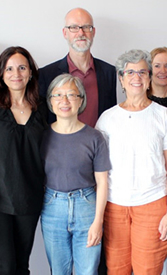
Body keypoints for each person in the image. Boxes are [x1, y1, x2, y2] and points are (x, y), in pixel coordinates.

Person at [95, 49, 167, 275]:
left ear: (149, 78)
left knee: (148, 270)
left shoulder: (163, 116)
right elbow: (99, 171)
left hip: (153, 205)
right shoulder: (107, 118)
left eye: (142, 71)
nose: (137, 77)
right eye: (130, 72)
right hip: (114, 207)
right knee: (116, 269)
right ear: (121, 79)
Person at [0, 46, 47, 275]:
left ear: (30, 72)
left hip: (30, 198)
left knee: (21, 266)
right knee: (2, 267)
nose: (16, 73)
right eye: (9, 68)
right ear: (1, 73)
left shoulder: (43, 107)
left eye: (22, 67)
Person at [40, 74, 110, 275]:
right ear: (50, 100)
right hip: (53, 207)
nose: (64, 101)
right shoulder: (42, 135)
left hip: (86, 207)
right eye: (58, 95)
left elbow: (102, 182)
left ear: (81, 101)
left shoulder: (95, 137)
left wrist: (98, 221)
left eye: (71, 95)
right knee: (58, 271)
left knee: (88, 271)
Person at [39, 7, 116, 127]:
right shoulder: (46, 74)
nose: (81, 33)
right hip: (60, 144)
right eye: (74, 28)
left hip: (97, 143)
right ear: (65, 33)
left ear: (93, 32)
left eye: (86, 27)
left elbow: (111, 117)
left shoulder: (109, 72)